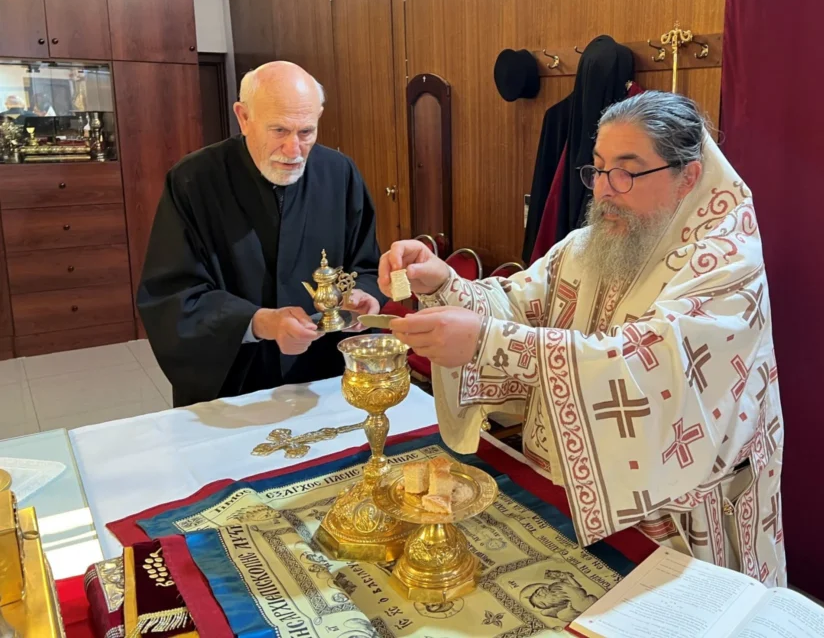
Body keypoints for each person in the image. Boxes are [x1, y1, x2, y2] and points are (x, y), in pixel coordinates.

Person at [383, 91, 786, 585]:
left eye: (627, 171)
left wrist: (491, 343)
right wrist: (443, 283)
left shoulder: (724, 264)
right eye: (597, 169)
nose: (605, 190)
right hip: (573, 495)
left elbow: (648, 364)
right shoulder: (585, 246)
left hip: (680, 522)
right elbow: (514, 307)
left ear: (689, 177)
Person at [138, 61, 385, 407]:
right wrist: (259, 322)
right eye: (279, 130)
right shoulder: (194, 181)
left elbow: (368, 265)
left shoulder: (339, 174)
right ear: (243, 117)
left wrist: (365, 297)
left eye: (306, 132)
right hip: (237, 384)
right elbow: (173, 296)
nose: (294, 150)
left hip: (325, 379)